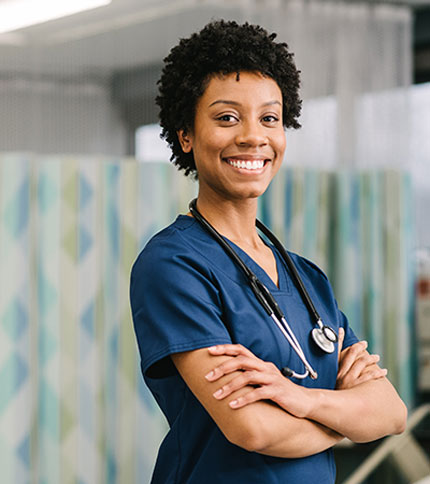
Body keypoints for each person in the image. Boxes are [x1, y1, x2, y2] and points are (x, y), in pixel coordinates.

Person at [130, 20, 407, 484]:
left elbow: (391, 413)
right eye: (226, 117)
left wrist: (302, 400)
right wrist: (346, 416)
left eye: (270, 118)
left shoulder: (307, 278)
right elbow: (253, 428)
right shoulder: (174, 265)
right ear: (186, 135)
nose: (253, 136)